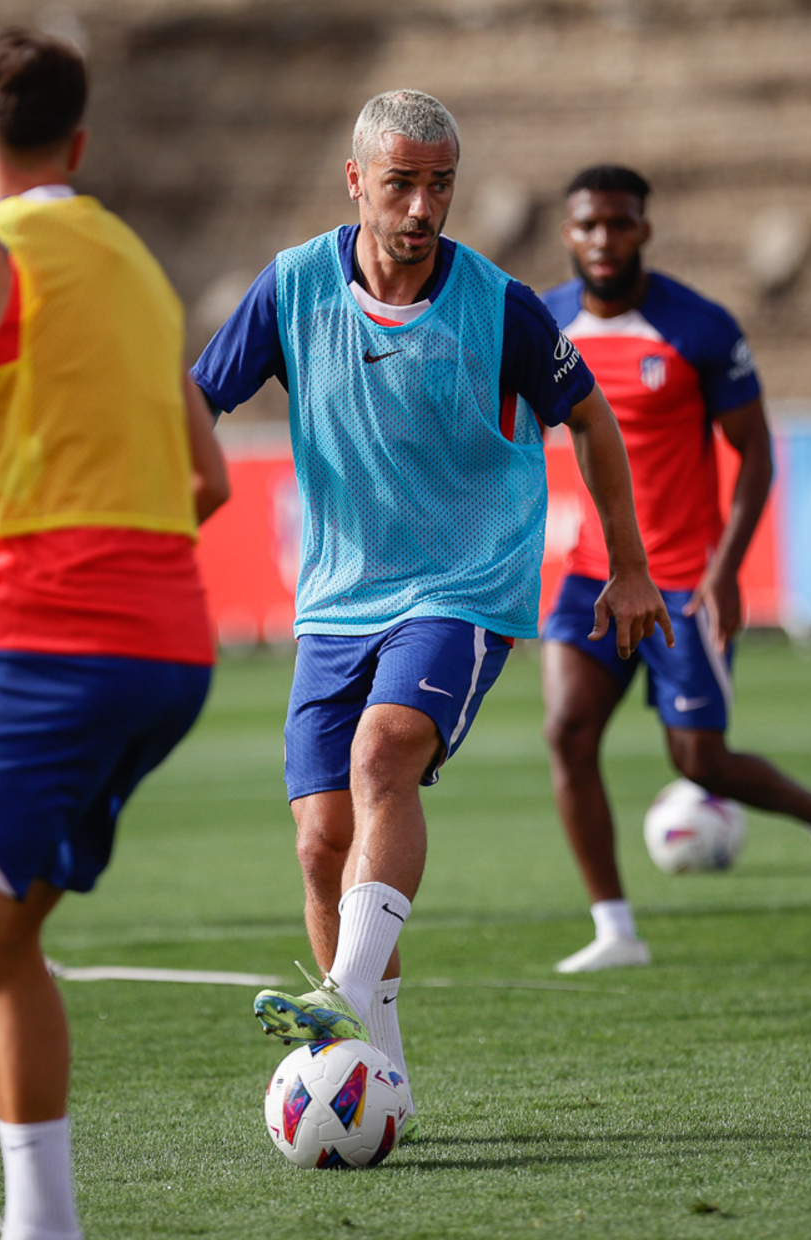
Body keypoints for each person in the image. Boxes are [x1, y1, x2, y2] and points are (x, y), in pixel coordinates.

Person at [193, 94, 669, 1134]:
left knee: (383, 755)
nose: (423, 205)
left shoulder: (498, 306)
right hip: (335, 598)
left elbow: (585, 413)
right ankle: (381, 1076)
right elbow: (201, 400)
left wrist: (629, 567)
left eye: (441, 183)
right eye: (402, 182)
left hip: (462, 586)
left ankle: (341, 1004)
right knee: (323, 842)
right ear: (354, 181)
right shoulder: (291, 287)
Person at [0, 27, 228, 1240]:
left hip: (59, 644)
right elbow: (205, 479)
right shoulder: (135, 266)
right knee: (0, 938)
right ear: (82, 144)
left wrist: (43, 576)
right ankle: (41, 1224)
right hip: (168, 648)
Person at [540, 164, 811, 974]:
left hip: (683, 580)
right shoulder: (543, 323)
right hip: (590, 574)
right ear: (568, 234)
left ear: (645, 229)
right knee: (567, 732)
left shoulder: (698, 328)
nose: (604, 239)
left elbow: (754, 453)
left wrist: (726, 571)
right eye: (589, 225)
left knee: (699, 760)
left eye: (620, 223)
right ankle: (616, 926)